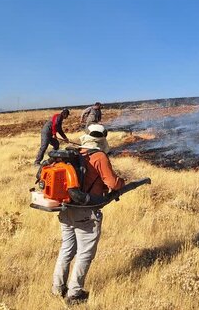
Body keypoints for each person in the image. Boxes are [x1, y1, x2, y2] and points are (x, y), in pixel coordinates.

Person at [52, 123, 125, 304]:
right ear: (102, 139)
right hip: (85, 211)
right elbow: (113, 183)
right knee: (85, 253)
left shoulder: (77, 153)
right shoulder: (99, 156)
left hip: (66, 208)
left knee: (67, 249)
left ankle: (57, 288)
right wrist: (121, 183)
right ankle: (75, 293)